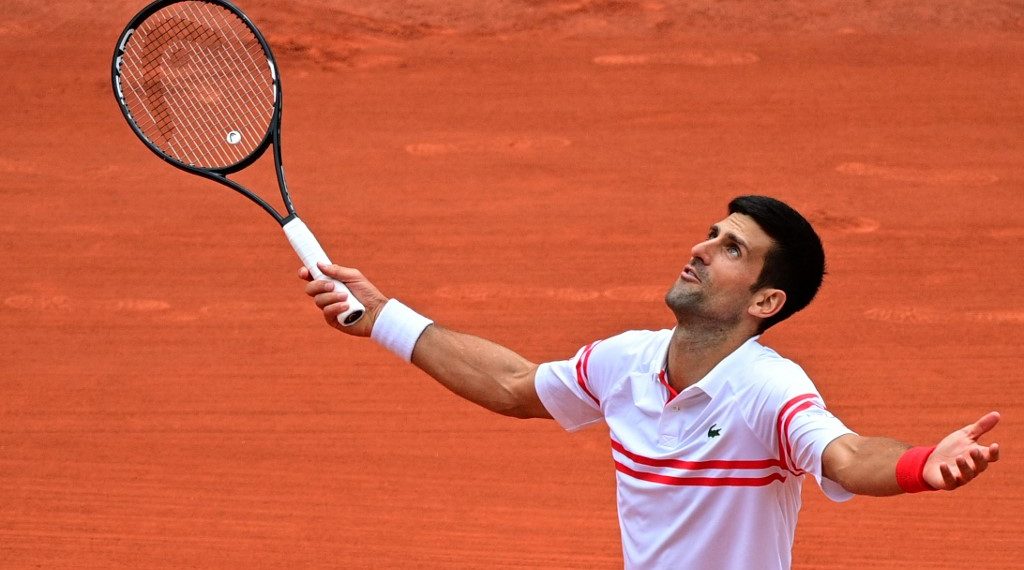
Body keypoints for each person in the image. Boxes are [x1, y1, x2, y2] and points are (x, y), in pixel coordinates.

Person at [299, 195, 1000, 569]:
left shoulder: (768, 390)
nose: (699, 249)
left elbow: (845, 455)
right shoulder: (625, 361)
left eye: (731, 249)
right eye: (711, 234)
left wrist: (916, 465)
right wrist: (385, 317)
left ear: (765, 302)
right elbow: (514, 384)